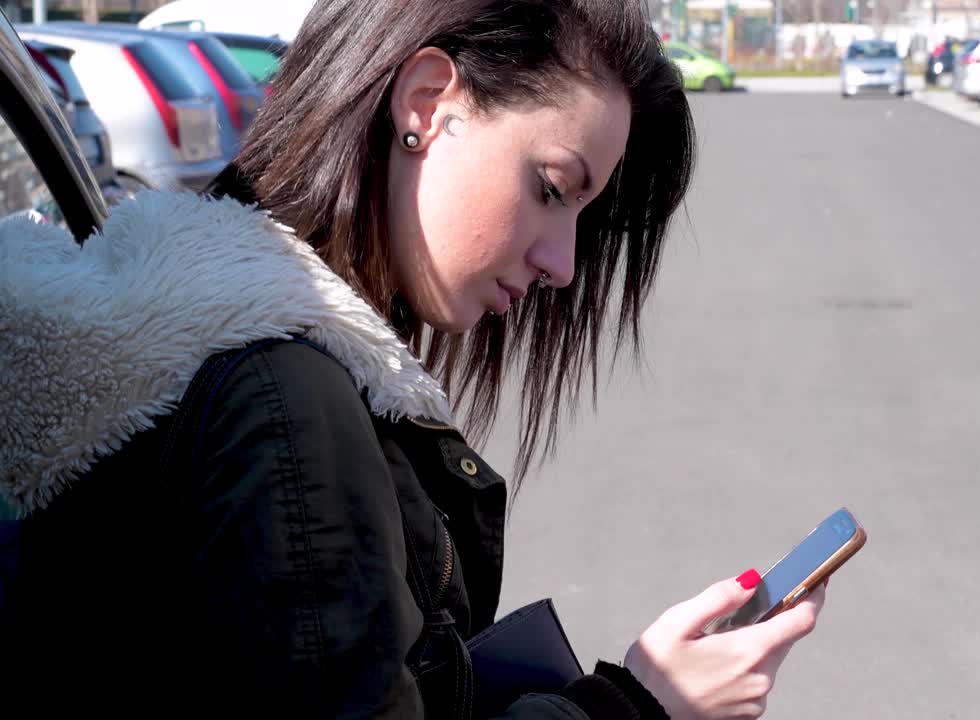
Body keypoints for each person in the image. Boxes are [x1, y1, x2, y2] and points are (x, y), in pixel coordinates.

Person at [0, 1, 826, 717]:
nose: (564, 263)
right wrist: (638, 705)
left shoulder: (192, 342)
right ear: (427, 105)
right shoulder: (285, 402)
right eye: (551, 186)